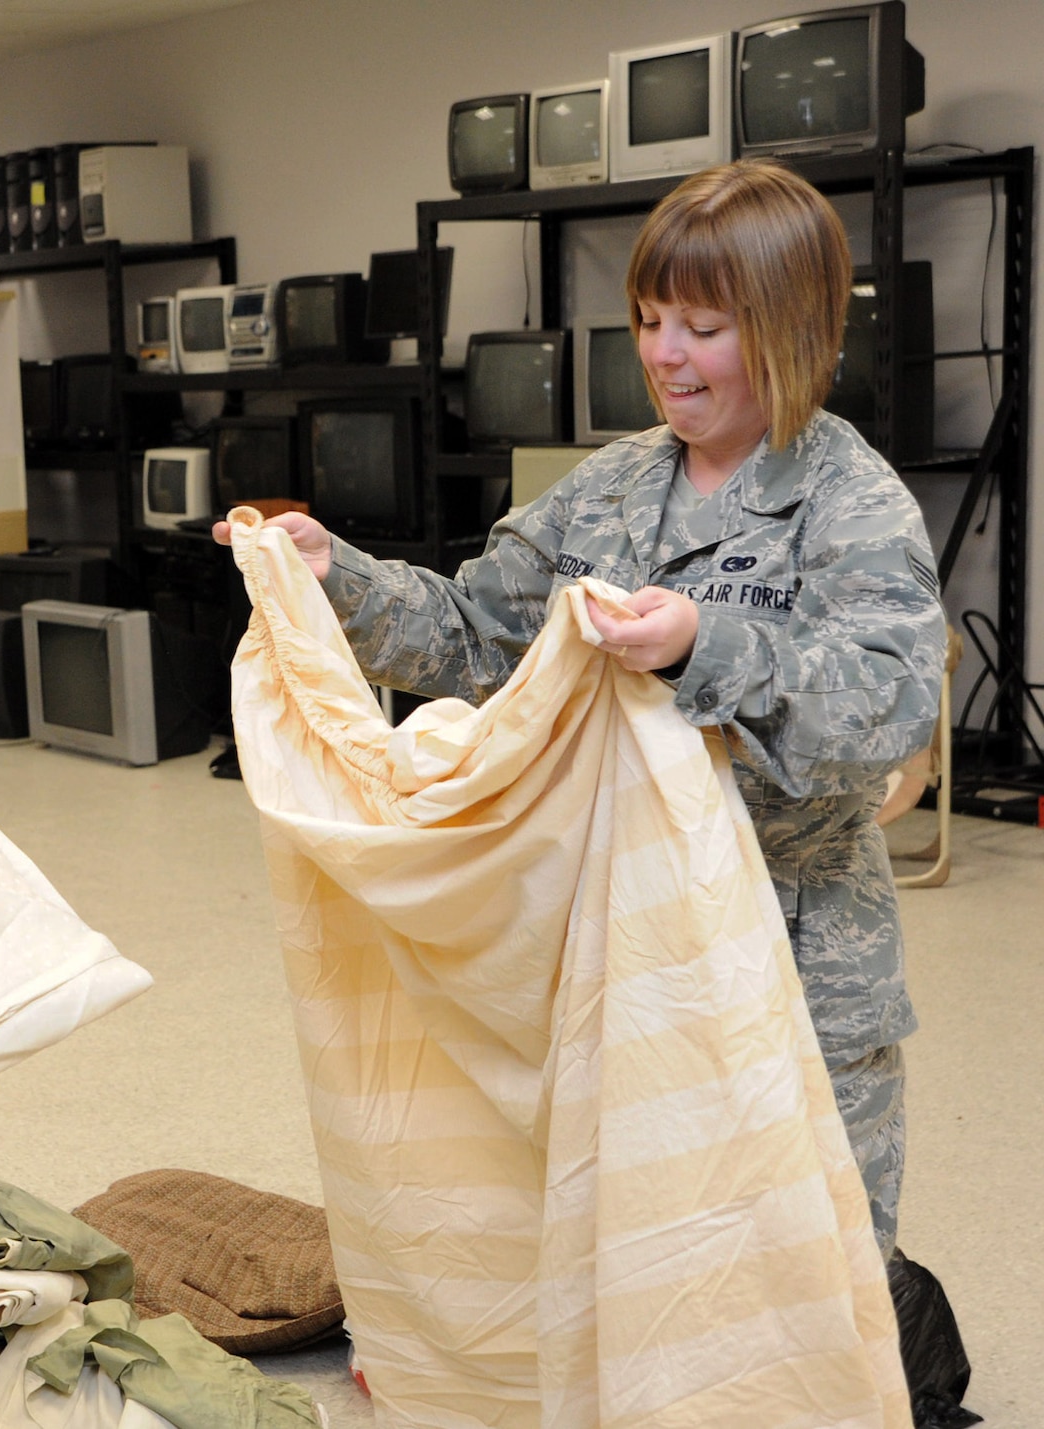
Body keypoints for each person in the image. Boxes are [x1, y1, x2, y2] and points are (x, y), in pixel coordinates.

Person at [217, 159, 946, 1260]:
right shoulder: (607, 488)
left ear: (788, 328)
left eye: (701, 326)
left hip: (787, 966)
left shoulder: (849, 501)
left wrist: (709, 644)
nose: (662, 354)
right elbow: (472, 636)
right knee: (642, 1260)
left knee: (804, 1271)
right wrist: (336, 576)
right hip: (618, 955)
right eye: (650, 320)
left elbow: (890, 713)